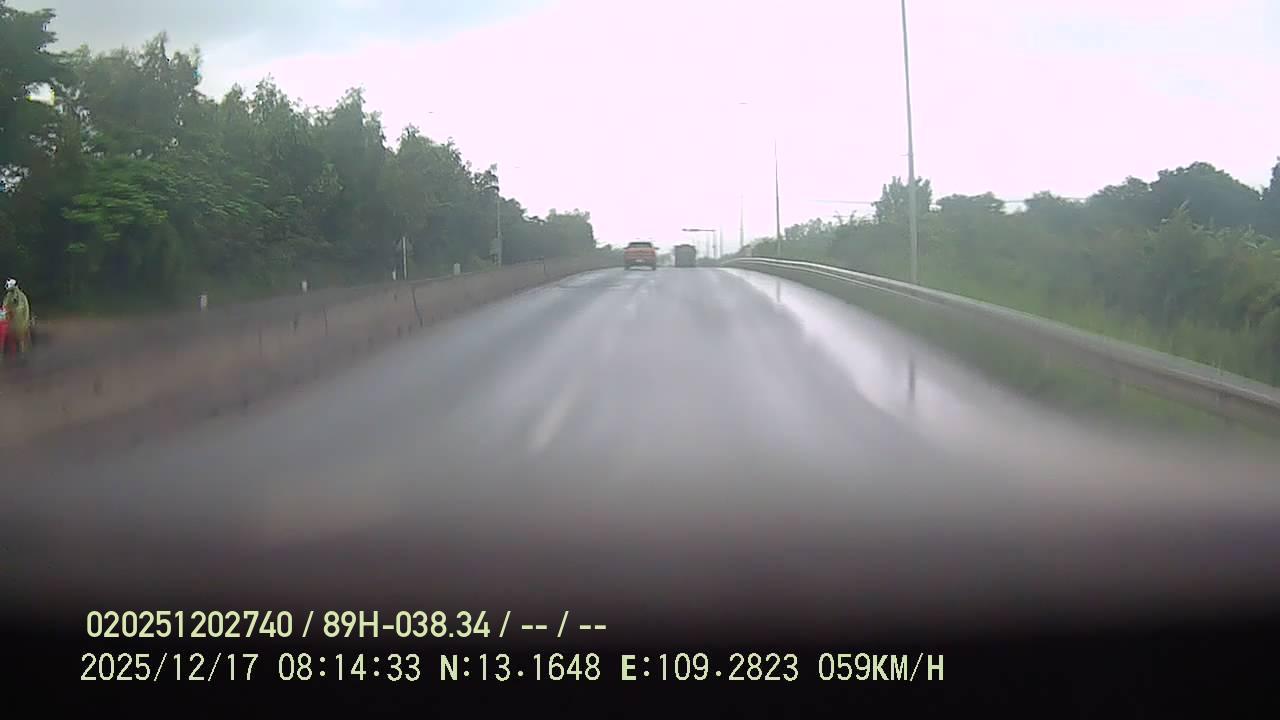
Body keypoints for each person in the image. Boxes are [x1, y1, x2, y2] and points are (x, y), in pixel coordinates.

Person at [3, 278, 32, 357]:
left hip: (20, 320)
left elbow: (20, 308)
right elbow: (5, 306)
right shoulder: (10, 295)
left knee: (20, 337)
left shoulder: (19, 296)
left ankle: (22, 354)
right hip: (13, 320)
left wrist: (11, 311)